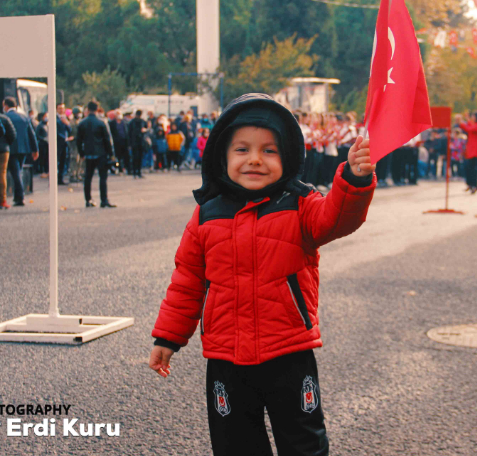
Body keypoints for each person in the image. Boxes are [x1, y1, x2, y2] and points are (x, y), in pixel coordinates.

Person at [148, 93, 376, 456]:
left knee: (303, 442)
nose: (255, 159)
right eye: (242, 150)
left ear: (287, 158)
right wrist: (167, 338)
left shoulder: (300, 204)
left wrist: (353, 179)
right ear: (222, 156)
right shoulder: (206, 214)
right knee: (235, 444)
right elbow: (187, 280)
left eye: (269, 151)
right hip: (226, 358)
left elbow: (337, 218)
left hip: (288, 352)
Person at [76, 100, 116, 208]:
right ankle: (104, 200)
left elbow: (78, 140)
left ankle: (88, 199)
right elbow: (107, 139)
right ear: (97, 109)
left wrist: (81, 153)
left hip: (88, 153)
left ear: (88, 110)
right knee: (103, 177)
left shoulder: (82, 123)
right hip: (101, 153)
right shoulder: (102, 122)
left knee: (88, 177)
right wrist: (111, 153)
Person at [4, 97, 39, 207]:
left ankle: (19, 197)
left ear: (6, 105)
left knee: (16, 172)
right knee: (19, 170)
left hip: (11, 148)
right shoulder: (24, 117)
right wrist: (35, 149)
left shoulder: (6, 117)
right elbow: (31, 134)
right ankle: (18, 196)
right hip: (24, 148)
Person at [457, 112, 477, 192]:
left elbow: (469, 128)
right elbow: (470, 125)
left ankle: (474, 185)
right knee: (469, 168)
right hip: (472, 150)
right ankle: (471, 184)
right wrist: (467, 119)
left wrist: (461, 122)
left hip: (476, 151)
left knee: (473, 169)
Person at [128, 109, 146, 178]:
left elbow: (129, 133)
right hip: (137, 141)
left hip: (137, 142)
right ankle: (137, 172)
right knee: (137, 157)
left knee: (137, 157)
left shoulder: (133, 122)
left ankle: (137, 172)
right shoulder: (140, 121)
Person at [56, 103, 71, 184]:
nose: (61, 110)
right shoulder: (55, 118)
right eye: (59, 108)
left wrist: (67, 124)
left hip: (65, 143)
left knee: (63, 160)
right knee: (57, 160)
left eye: (63, 108)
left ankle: (60, 178)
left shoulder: (65, 118)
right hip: (58, 142)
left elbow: (70, 130)